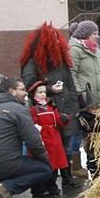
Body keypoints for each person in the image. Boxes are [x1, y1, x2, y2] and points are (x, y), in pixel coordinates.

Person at [0, 77, 54, 198]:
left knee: (2, 159)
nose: (26, 93)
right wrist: (45, 160)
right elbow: (33, 141)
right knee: (44, 170)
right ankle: (6, 188)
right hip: (4, 163)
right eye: (22, 89)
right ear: (12, 91)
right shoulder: (18, 110)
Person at [20, 23, 82, 178]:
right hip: (46, 112)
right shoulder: (33, 63)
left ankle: (67, 177)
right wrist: (49, 90)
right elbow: (29, 85)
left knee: (66, 147)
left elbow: (71, 85)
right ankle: (51, 180)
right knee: (51, 148)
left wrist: (74, 109)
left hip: (65, 109)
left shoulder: (61, 61)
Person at [69, 20, 100, 177]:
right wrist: (80, 94)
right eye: (94, 34)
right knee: (91, 134)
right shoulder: (75, 50)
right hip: (87, 100)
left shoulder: (97, 50)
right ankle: (93, 168)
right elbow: (72, 74)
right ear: (86, 34)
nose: (97, 36)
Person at [27, 80, 75, 188]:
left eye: (44, 92)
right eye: (40, 92)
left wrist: (64, 119)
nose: (43, 94)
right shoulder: (34, 109)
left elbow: (57, 119)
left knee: (56, 161)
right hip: (43, 137)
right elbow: (33, 122)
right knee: (48, 161)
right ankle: (46, 186)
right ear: (34, 94)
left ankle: (53, 185)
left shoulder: (51, 105)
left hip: (54, 136)